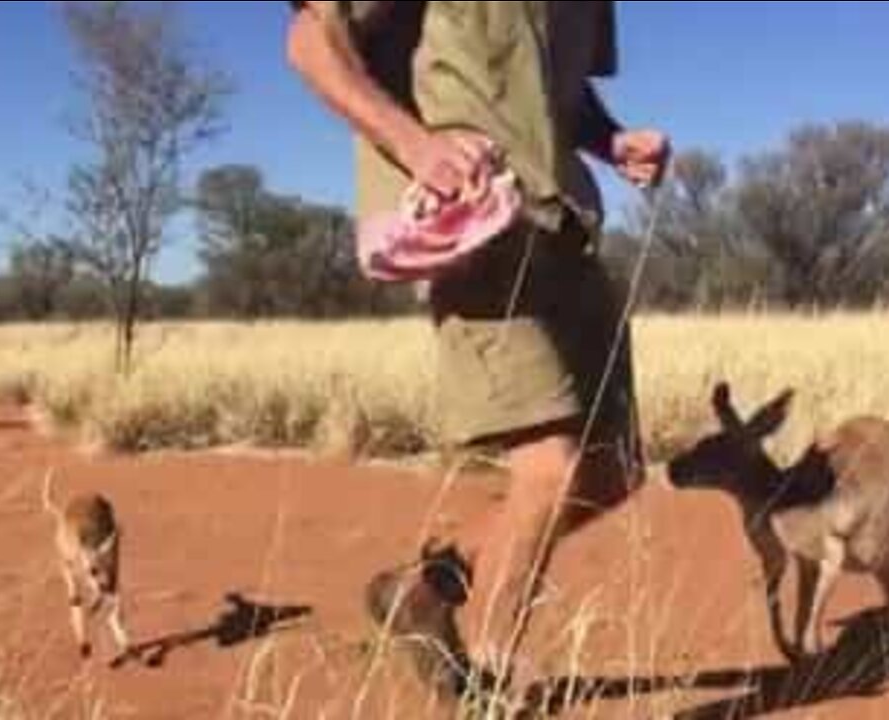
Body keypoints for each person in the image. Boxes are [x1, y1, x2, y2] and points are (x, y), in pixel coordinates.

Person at [285, 0, 670, 709]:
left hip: (564, 224)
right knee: (551, 467)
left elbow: (561, 86)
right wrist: (415, 145)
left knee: (613, 467)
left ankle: (424, 589)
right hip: (471, 230)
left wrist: (612, 142)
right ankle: (495, 688)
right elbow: (313, 38)